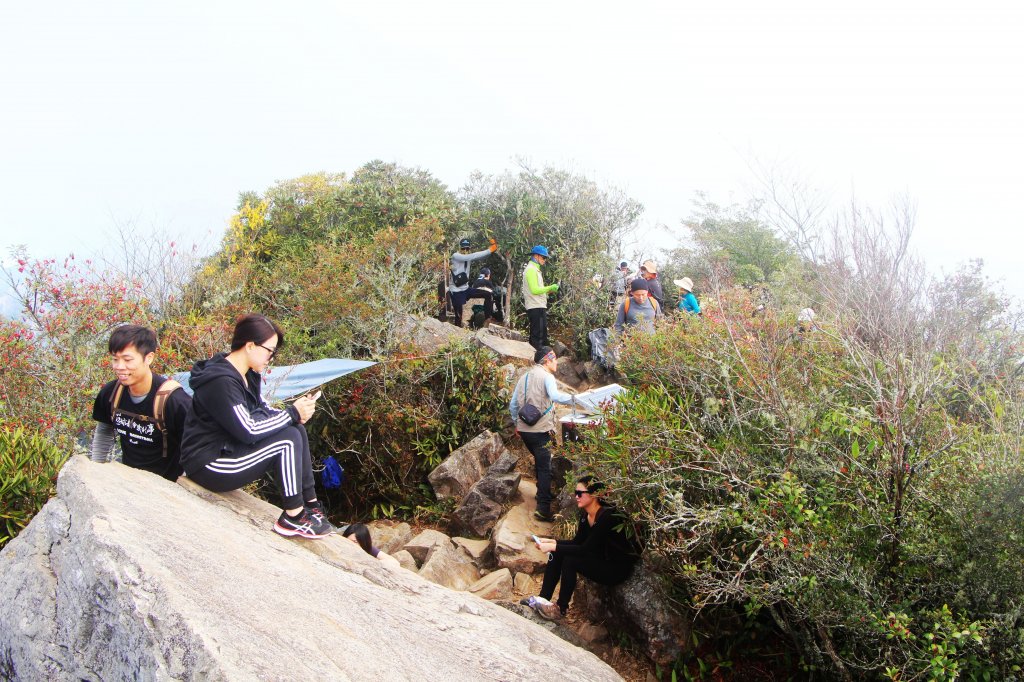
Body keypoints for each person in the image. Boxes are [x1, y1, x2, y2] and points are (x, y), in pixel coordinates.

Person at [179, 314, 333, 539]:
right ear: (250, 346)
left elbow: (261, 410)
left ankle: (311, 506)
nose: (271, 357)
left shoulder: (248, 374)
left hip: (229, 450)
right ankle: (294, 517)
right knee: (287, 440)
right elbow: (248, 430)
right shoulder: (220, 381)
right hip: (208, 464)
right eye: (270, 351)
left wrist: (295, 415)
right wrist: (291, 413)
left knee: (295, 429)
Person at [528, 476, 641, 620]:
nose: (576, 496)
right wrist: (551, 543)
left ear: (594, 495)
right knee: (557, 553)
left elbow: (584, 549)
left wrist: (553, 546)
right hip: (599, 559)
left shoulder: (608, 517)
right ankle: (542, 599)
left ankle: (560, 609)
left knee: (570, 560)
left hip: (615, 569)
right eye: (576, 493)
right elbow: (577, 542)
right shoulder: (586, 515)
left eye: (580, 493)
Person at [89, 325, 191, 481]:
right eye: (115, 359)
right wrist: (97, 469)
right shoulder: (111, 393)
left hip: (168, 487)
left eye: (127, 360)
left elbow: (195, 445)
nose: (119, 367)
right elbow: (104, 430)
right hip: (130, 483)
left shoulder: (173, 400)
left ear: (149, 358)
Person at [509, 346, 575, 522]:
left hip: (524, 430)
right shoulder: (547, 377)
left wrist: (517, 423)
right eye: (554, 359)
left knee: (540, 462)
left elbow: (513, 405)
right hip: (540, 430)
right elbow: (555, 396)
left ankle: (543, 492)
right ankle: (543, 508)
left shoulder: (524, 377)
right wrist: (576, 399)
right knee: (544, 467)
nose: (556, 363)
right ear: (547, 360)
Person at [449, 237, 498, 327]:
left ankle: (487, 319)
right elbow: (472, 256)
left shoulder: (468, 257)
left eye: (467, 248)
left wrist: (492, 249)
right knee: (458, 318)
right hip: (456, 291)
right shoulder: (456, 256)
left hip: (466, 289)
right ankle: (456, 335)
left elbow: (481, 257)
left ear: (469, 248)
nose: (465, 250)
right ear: (459, 248)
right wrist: (489, 250)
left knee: (488, 295)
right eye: (463, 248)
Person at [521, 245, 559, 350]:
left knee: (538, 333)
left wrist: (549, 290)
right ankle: (539, 360)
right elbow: (534, 290)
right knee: (539, 336)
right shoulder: (531, 270)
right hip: (535, 306)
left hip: (537, 305)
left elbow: (537, 290)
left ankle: (535, 357)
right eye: (543, 257)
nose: (545, 260)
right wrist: (550, 287)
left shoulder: (534, 269)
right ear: (536, 256)